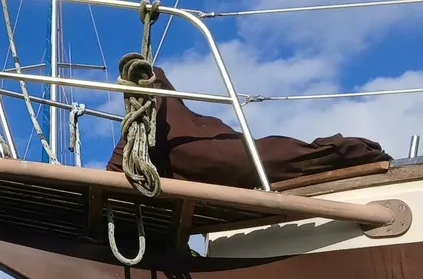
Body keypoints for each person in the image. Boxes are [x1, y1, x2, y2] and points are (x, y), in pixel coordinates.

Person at [106, 67, 392, 189]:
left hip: (181, 144)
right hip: (166, 146)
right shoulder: (165, 128)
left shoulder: (173, 131)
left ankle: (341, 152)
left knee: (230, 157)